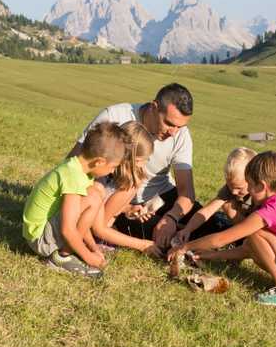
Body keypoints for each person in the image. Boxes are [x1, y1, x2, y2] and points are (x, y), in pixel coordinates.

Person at [169, 151, 276, 308]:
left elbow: (221, 239)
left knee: (254, 233)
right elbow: (249, 250)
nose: (249, 191)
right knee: (256, 242)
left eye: (250, 185)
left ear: (261, 186)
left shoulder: (271, 211)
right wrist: (208, 255)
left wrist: (185, 247)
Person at [68, 83, 225, 252]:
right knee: (166, 240)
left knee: (211, 227)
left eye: (180, 126)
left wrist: (171, 218)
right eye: (169, 123)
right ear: (154, 107)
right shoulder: (115, 116)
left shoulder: (181, 135)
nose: (173, 132)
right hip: (117, 195)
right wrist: (102, 195)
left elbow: (186, 192)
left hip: (159, 194)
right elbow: (76, 161)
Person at [23, 122, 127, 278]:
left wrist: (93, 247)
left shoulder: (77, 168)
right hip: (40, 240)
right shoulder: (73, 177)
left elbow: (79, 220)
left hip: (42, 232)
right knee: (93, 198)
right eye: (113, 167)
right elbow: (68, 229)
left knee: (95, 194)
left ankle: (70, 250)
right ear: (99, 161)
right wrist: (88, 257)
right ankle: (61, 258)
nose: (112, 171)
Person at [89, 121, 162, 256]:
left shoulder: (103, 173)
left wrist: (127, 208)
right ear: (128, 158)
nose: (143, 165)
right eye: (141, 160)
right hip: (93, 233)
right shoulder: (126, 185)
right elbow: (99, 228)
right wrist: (142, 245)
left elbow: (105, 205)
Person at [173, 147, 257, 261]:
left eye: (239, 188)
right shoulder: (231, 189)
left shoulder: (259, 197)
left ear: (253, 181)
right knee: (213, 222)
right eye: (230, 186)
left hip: (251, 234)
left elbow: (252, 229)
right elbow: (207, 211)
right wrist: (188, 229)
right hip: (235, 228)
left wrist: (231, 213)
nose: (233, 192)